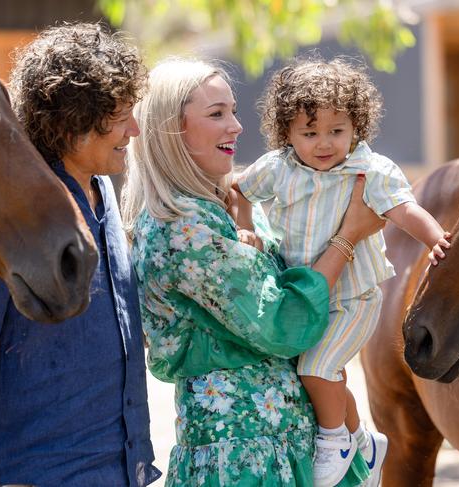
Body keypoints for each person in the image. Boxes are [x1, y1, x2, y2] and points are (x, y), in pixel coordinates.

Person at [120, 57, 386, 487]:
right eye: (216, 114)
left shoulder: (224, 206)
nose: (237, 127)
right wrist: (348, 236)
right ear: (171, 130)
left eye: (234, 110)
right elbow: (283, 325)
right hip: (245, 453)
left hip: (285, 444)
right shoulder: (181, 227)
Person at [0, 23, 160, 487]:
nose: (134, 129)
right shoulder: (3, 219)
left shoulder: (105, 195)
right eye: (119, 115)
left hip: (123, 473)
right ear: (73, 120)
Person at [232, 56, 450, 487]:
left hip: (353, 296)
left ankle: (335, 440)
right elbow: (238, 188)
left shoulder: (370, 170)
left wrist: (436, 238)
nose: (324, 143)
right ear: (287, 133)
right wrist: (242, 226)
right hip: (302, 292)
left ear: (357, 126)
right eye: (308, 133)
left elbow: (405, 209)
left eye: (337, 130)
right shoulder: (278, 168)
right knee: (322, 371)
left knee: (316, 370)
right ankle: (362, 439)